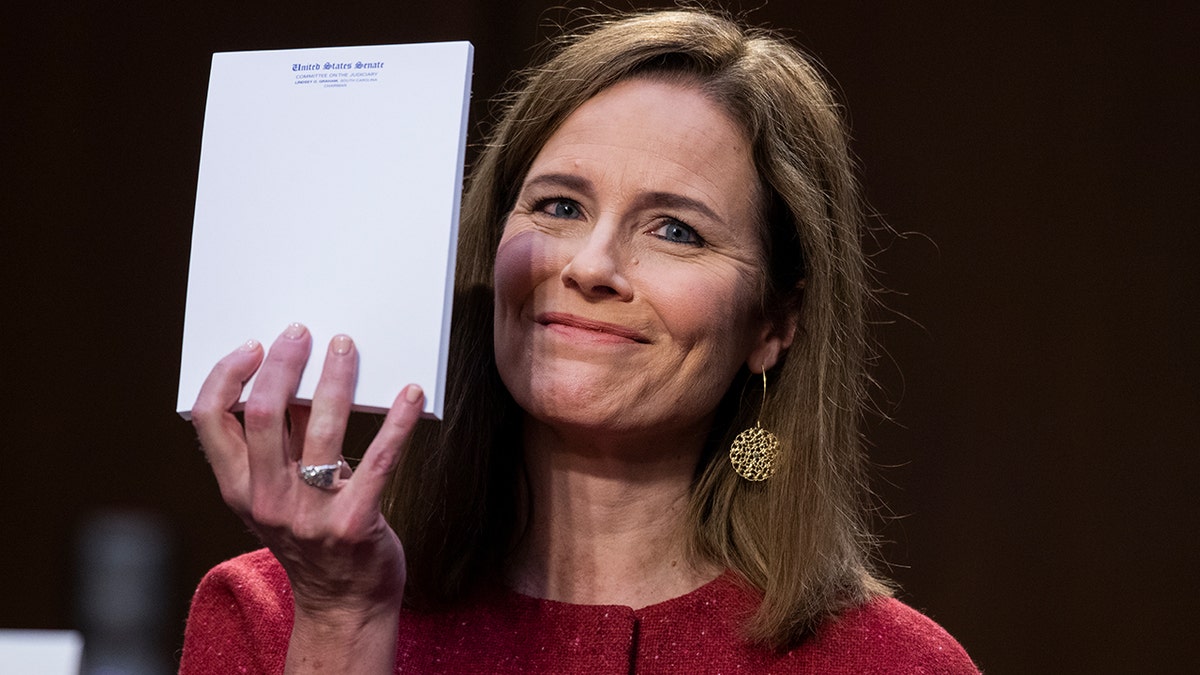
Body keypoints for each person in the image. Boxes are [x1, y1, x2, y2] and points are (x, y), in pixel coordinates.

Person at [181, 8, 978, 674]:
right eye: (560, 207)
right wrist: (342, 620)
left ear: (775, 323)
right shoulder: (271, 617)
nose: (591, 267)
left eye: (676, 230)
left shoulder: (892, 662)